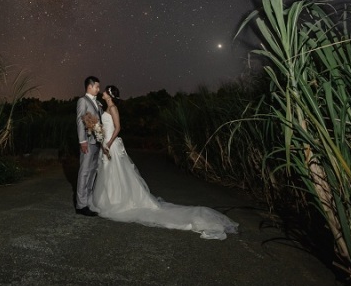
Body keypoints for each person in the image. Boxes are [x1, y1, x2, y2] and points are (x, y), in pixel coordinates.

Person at [93, 85, 239, 239]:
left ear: (109, 94)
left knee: (116, 172)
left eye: (105, 91)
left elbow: (118, 128)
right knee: (109, 173)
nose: (103, 92)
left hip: (111, 145)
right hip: (106, 143)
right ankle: (111, 199)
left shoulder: (113, 108)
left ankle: (118, 201)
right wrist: (100, 134)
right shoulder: (106, 107)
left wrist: (108, 143)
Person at [74, 76, 102, 216]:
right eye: (97, 86)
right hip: (88, 142)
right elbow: (80, 121)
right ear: (89, 86)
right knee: (84, 172)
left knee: (92, 172)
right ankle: (81, 205)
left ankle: (88, 202)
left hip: (97, 142)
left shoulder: (98, 103)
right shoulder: (82, 101)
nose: (98, 89)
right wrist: (82, 141)